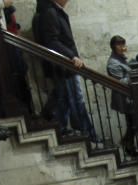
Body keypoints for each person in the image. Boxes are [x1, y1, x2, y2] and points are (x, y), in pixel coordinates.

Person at [32, 0, 96, 141]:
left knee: (65, 100)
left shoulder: (51, 11)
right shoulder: (50, 12)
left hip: (63, 66)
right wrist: (71, 56)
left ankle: (58, 127)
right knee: (74, 100)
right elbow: (52, 41)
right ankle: (88, 136)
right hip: (63, 66)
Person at [106, 35, 135, 156]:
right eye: (119, 45)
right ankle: (128, 144)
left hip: (129, 96)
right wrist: (132, 73)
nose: (122, 47)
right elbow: (120, 82)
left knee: (133, 123)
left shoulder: (120, 58)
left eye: (123, 44)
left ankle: (128, 143)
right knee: (133, 123)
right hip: (124, 97)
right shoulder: (113, 63)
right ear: (113, 47)